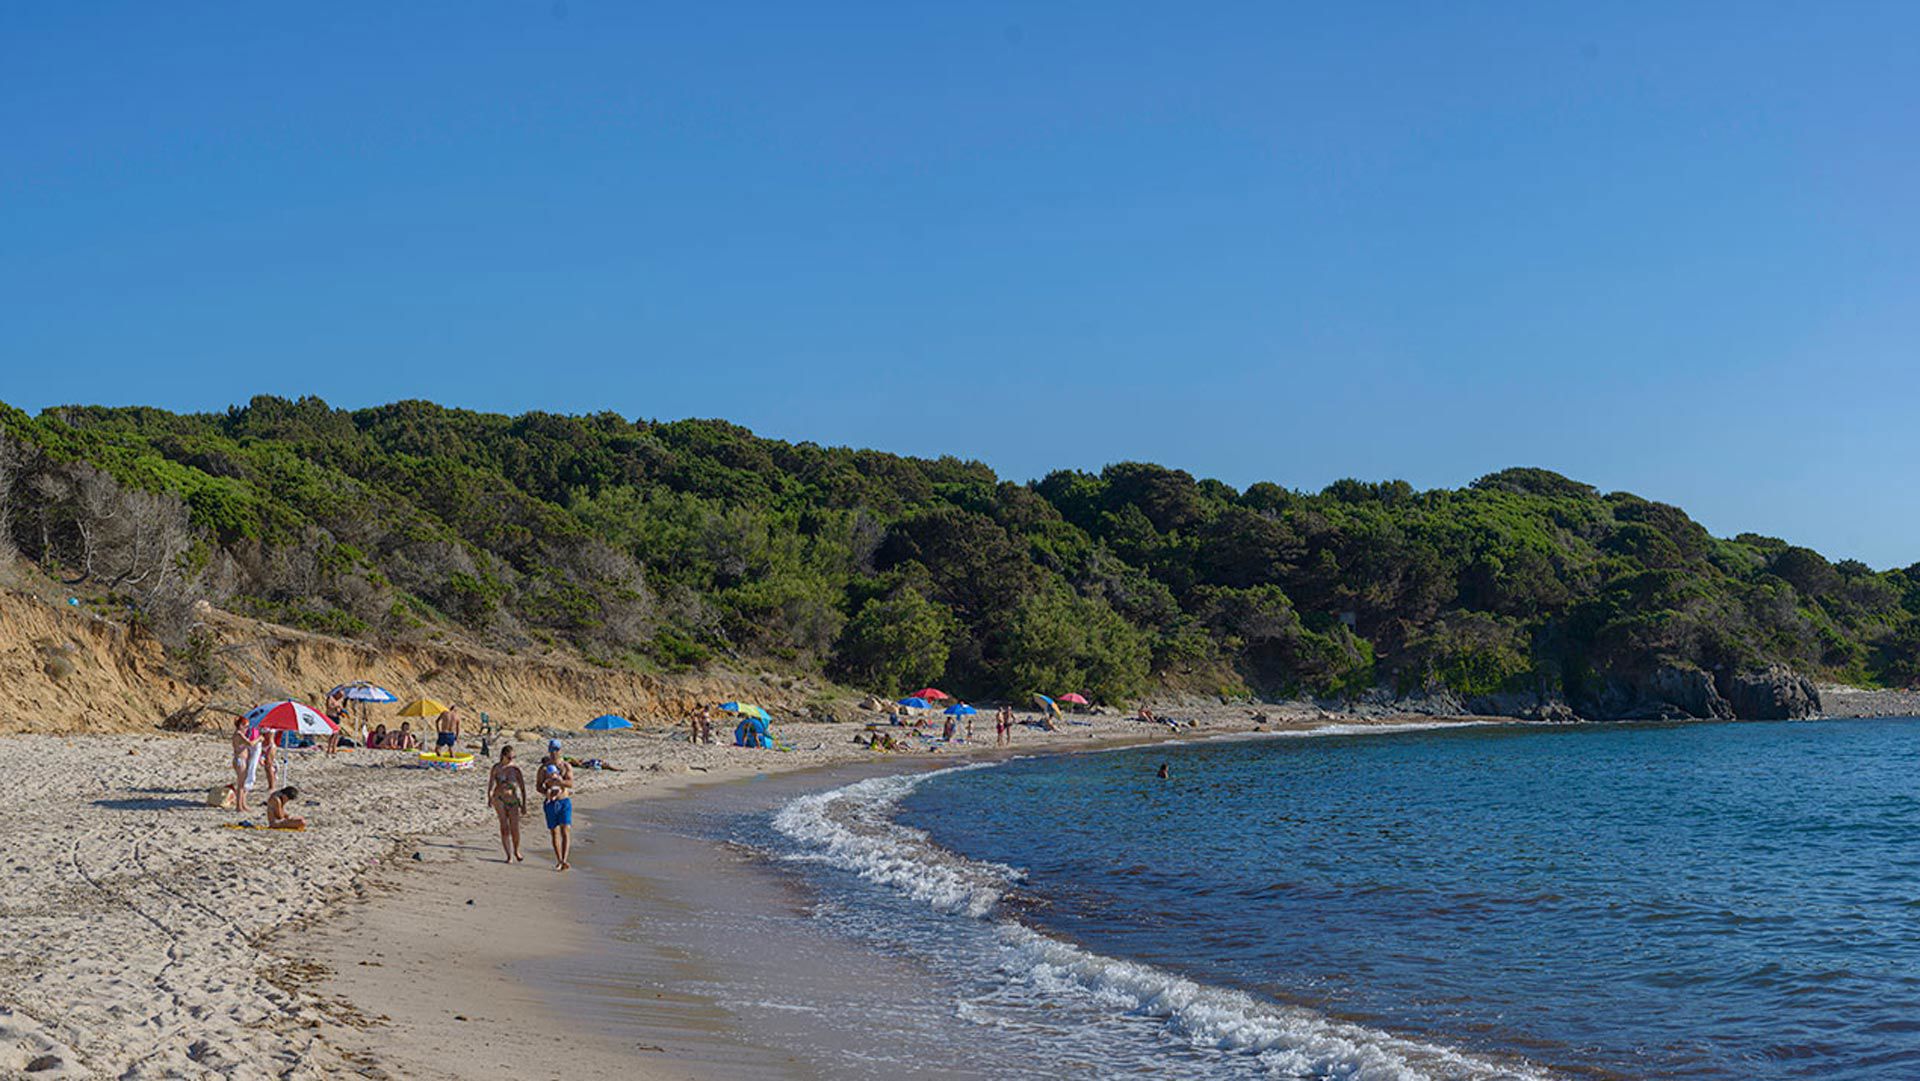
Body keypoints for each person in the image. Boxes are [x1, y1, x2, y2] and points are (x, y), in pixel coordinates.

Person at [537, 739, 574, 871]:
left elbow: (570, 784)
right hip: (551, 803)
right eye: (552, 750)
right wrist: (547, 792)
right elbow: (538, 786)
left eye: (556, 750)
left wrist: (560, 781)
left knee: (565, 830)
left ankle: (564, 860)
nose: (554, 752)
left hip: (564, 801)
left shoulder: (566, 766)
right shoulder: (543, 768)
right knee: (554, 832)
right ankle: (559, 860)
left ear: (560, 750)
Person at [487, 745, 528, 863]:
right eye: (509, 757)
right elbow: (491, 784)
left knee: (515, 828)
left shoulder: (515, 770)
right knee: (504, 827)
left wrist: (524, 804)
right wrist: (489, 796)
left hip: (513, 800)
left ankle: (516, 850)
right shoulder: (496, 768)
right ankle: (509, 855)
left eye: (513, 757)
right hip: (499, 798)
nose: (511, 760)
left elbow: (522, 788)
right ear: (503, 756)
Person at [230, 718, 259, 813]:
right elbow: (250, 743)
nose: (247, 729)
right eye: (246, 727)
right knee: (241, 785)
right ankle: (239, 806)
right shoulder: (238, 734)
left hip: (241, 760)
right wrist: (259, 738)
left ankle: (242, 804)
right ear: (241, 725)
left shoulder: (239, 734)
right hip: (240, 760)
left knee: (242, 784)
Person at [323, 688, 347, 755]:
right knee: (332, 733)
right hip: (330, 716)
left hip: (336, 716)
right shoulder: (330, 698)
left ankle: (334, 748)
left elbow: (339, 708)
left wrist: (341, 711)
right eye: (340, 695)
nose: (340, 697)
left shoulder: (340, 700)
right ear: (337, 693)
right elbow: (329, 706)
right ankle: (329, 748)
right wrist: (336, 706)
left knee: (337, 733)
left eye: (341, 696)